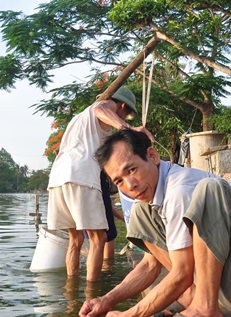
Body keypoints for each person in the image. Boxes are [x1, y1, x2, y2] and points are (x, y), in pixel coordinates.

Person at [79, 130, 231, 317]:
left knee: (210, 190)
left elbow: (182, 273)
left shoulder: (179, 189)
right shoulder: (155, 197)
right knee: (141, 212)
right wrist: (107, 300)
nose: (130, 185)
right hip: (229, 278)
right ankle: (192, 297)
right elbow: (150, 265)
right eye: (120, 181)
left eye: (132, 170)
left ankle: (206, 310)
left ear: (152, 156)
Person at [47, 88, 152, 282]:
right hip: (81, 175)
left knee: (75, 240)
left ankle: (72, 291)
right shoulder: (104, 107)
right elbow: (101, 108)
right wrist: (126, 128)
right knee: (98, 239)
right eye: (126, 113)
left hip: (58, 177)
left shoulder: (79, 120)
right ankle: (91, 295)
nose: (124, 116)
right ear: (121, 106)